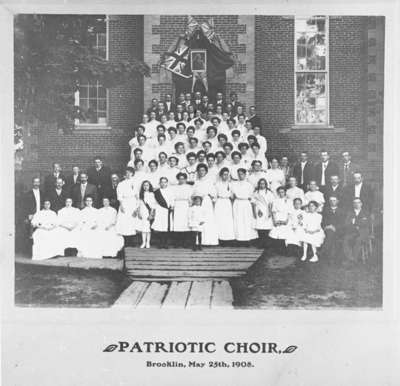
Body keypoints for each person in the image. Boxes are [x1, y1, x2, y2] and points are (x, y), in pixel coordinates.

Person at [192, 164, 219, 246]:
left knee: (207, 219)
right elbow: (193, 192)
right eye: (199, 170)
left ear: (206, 172)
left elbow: (214, 193)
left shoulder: (209, 181)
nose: (201, 172)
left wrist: (208, 196)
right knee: (198, 219)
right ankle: (199, 241)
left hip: (206, 202)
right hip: (198, 202)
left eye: (203, 170)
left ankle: (209, 241)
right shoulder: (196, 182)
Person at [231, 168, 258, 244]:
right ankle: (238, 239)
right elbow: (232, 196)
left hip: (246, 204)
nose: (240, 175)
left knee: (246, 221)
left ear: (245, 175)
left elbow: (252, 196)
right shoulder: (234, 184)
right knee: (238, 221)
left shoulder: (249, 185)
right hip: (237, 204)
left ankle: (247, 240)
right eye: (239, 174)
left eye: (242, 174)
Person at [342, 198, 371, 264]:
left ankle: (354, 259)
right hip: (353, 232)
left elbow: (367, 223)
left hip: (363, 233)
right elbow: (346, 224)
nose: (356, 204)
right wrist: (356, 223)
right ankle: (351, 258)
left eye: (358, 202)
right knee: (346, 239)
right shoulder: (350, 213)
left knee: (358, 240)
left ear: (361, 204)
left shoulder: (366, 212)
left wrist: (355, 222)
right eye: (354, 203)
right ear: (353, 204)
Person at [115, 167, 139, 246]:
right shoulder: (121, 183)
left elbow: (137, 196)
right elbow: (119, 195)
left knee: (132, 221)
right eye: (127, 172)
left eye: (130, 172)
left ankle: (132, 241)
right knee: (124, 222)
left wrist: (137, 207)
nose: (128, 174)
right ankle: (126, 241)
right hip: (124, 203)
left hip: (132, 203)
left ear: (132, 173)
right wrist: (121, 205)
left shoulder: (135, 183)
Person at [152, 177, 175, 248]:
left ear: (167, 183)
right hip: (159, 210)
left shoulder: (170, 191)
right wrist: (154, 210)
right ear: (159, 183)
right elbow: (154, 202)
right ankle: (160, 243)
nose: (163, 183)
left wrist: (172, 206)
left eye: (165, 182)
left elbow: (172, 200)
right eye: (162, 182)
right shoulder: (157, 192)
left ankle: (165, 243)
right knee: (160, 226)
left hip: (167, 210)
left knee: (166, 226)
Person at [251, 178, 274, 248]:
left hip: (266, 210)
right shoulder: (256, 192)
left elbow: (271, 203)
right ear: (259, 184)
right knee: (259, 227)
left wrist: (270, 211)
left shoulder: (269, 193)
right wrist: (254, 212)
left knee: (266, 227)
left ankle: (266, 243)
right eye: (260, 183)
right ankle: (260, 243)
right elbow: (253, 203)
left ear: (266, 184)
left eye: (263, 183)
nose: (262, 185)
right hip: (259, 210)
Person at [321, 196, 346, 262]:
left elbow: (343, 223)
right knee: (330, 233)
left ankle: (324, 251)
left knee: (331, 236)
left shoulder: (342, 211)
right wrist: (328, 226)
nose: (332, 202)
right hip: (328, 229)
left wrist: (335, 227)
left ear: (337, 201)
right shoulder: (325, 210)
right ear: (329, 202)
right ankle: (332, 257)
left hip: (339, 230)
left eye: (334, 200)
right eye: (331, 200)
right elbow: (323, 221)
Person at [214, 167, 235, 244]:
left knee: (227, 221)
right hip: (219, 202)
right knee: (219, 220)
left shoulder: (230, 184)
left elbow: (232, 196)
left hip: (227, 203)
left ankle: (227, 239)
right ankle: (220, 239)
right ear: (221, 175)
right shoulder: (217, 184)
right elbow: (215, 195)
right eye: (224, 174)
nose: (225, 176)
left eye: (227, 175)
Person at [172, 173, 193, 246]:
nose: (181, 180)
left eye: (183, 179)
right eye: (180, 179)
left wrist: (190, 205)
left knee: (185, 223)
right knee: (177, 223)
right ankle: (177, 242)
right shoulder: (174, 187)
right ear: (178, 179)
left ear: (185, 179)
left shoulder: (189, 187)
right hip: (177, 205)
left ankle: (185, 242)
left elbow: (190, 197)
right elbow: (173, 197)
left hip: (185, 205)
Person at [269, 186, 292, 253]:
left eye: (282, 192)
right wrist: (274, 220)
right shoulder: (275, 200)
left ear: (285, 192)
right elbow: (273, 211)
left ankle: (284, 249)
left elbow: (289, 212)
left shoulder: (289, 201)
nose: (281, 193)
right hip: (277, 217)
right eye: (279, 192)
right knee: (277, 232)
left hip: (285, 217)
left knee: (284, 232)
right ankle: (277, 249)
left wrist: (286, 220)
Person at [136, 180, 156, 248]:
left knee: (148, 228)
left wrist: (151, 214)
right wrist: (138, 213)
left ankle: (148, 242)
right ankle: (143, 242)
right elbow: (138, 204)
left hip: (148, 212)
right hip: (142, 211)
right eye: (144, 185)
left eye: (147, 185)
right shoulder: (140, 194)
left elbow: (153, 205)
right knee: (143, 228)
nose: (145, 187)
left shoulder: (152, 194)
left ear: (149, 186)